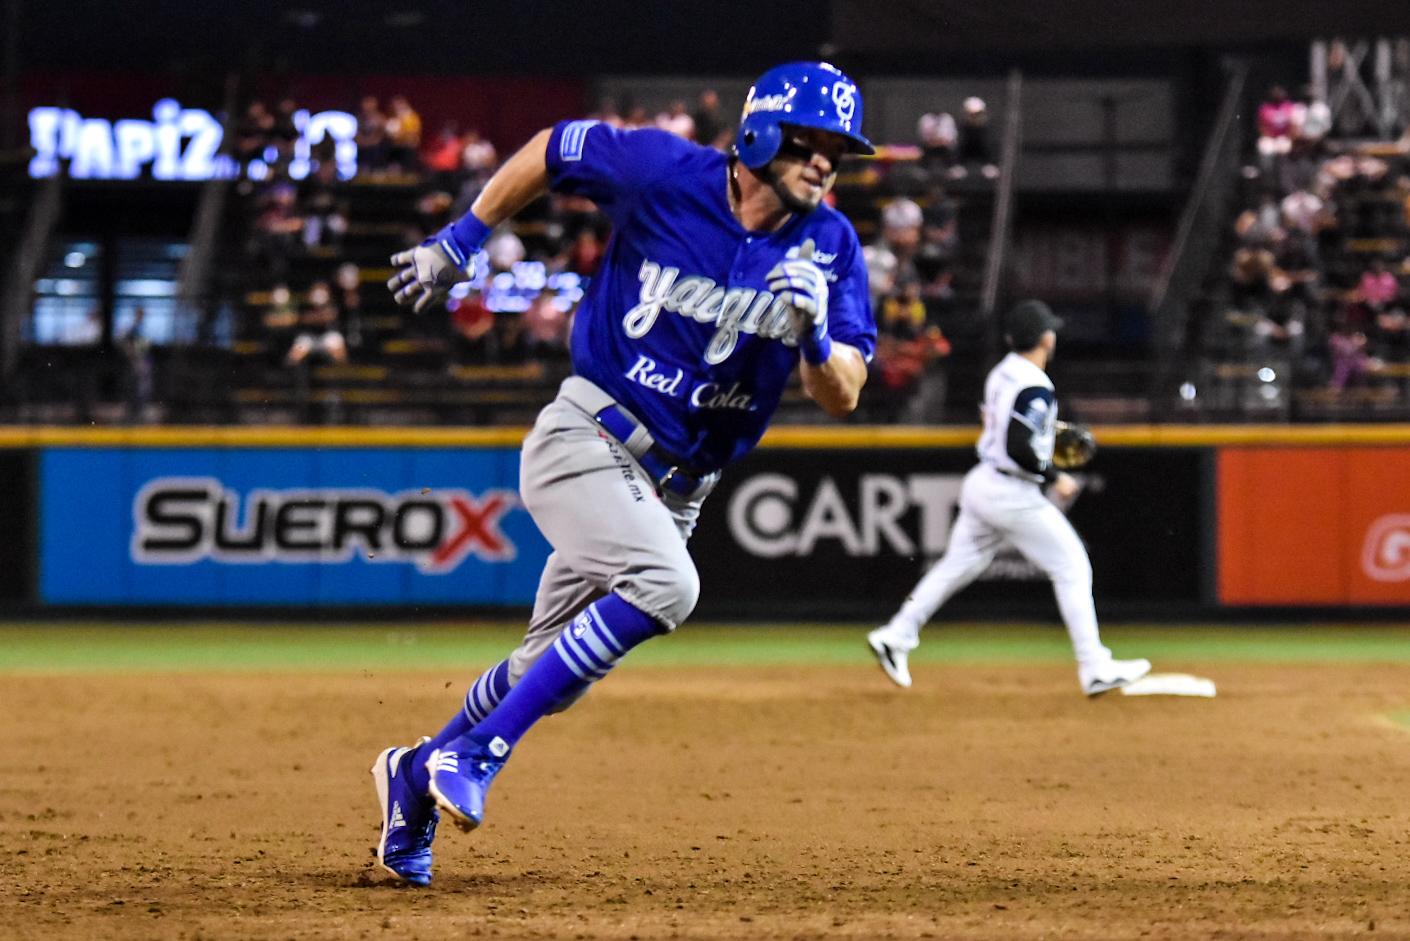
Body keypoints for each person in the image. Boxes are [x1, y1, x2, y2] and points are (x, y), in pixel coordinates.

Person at [374, 61, 876, 886]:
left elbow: (845, 393)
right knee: (670, 589)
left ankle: (416, 773)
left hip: (680, 488)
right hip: (588, 435)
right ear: (758, 135)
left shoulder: (831, 244)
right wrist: (463, 237)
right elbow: (552, 149)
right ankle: (476, 756)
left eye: (838, 152)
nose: (827, 163)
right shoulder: (662, 171)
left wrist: (816, 336)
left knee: (549, 673)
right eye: (812, 143)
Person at [865, 300, 1150, 697]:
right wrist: (1055, 475)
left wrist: (1044, 438)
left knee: (958, 565)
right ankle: (1094, 665)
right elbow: (1018, 444)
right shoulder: (1035, 384)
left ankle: (896, 635)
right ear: (1046, 338)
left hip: (984, 481)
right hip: (1010, 491)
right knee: (1072, 566)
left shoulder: (1002, 373)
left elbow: (1002, 427)